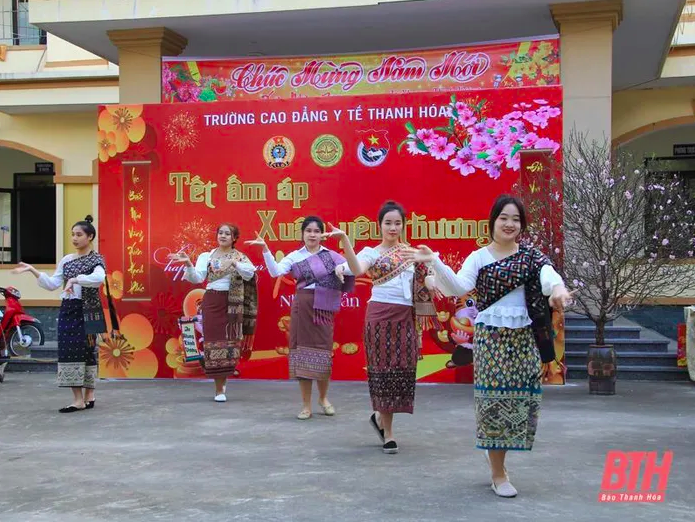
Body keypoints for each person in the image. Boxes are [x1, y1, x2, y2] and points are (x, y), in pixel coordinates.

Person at [414, 194, 573, 497]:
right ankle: (499, 473)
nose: (509, 224)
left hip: (524, 338)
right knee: (493, 403)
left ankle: (496, 453)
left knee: (519, 401)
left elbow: (550, 279)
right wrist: (434, 259)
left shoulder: (531, 257)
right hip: (490, 339)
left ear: (522, 225)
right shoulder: (479, 257)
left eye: (515, 219)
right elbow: (458, 287)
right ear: (493, 221)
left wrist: (560, 292)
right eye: (504, 217)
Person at [336, 201, 437, 454]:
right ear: (379, 225)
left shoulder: (412, 253)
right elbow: (356, 268)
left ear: (404, 225)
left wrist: (433, 280)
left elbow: (428, 275)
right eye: (388, 223)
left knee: (401, 370)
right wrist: (346, 241)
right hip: (380, 315)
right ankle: (389, 433)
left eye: (397, 223)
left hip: (406, 317)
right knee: (383, 371)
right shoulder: (372, 252)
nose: (393, 227)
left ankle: (380, 418)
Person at [246, 216, 358, 419]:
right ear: (303, 234)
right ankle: (306, 405)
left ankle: (323, 399)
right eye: (309, 231)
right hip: (302, 306)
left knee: (323, 353)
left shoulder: (331, 256)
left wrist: (342, 266)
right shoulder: (295, 256)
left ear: (323, 234)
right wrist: (265, 250)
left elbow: (353, 268)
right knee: (303, 355)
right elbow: (275, 272)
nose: (313, 235)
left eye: (317, 231)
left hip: (323, 308)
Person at [12, 216, 108, 412]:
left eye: (79, 234)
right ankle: (78, 399)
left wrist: (76, 279)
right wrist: (33, 271)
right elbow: (52, 284)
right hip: (69, 309)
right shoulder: (67, 260)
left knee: (88, 351)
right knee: (69, 350)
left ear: (90, 237)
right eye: (72, 234)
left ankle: (90, 395)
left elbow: (98, 278)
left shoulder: (96, 259)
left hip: (89, 310)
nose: (74, 238)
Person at [169, 223, 258, 402]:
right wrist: (188, 264)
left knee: (229, 343)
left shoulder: (240, 257)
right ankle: (219, 389)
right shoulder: (206, 256)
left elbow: (250, 274)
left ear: (234, 238)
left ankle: (221, 387)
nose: (223, 236)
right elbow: (197, 278)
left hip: (232, 303)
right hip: (212, 301)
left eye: (227, 233)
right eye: (220, 233)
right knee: (213, 343)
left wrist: (234, 263)